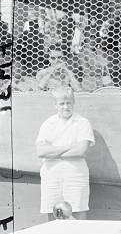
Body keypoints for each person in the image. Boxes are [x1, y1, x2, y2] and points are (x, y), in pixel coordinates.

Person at [35, 87, 95, 219]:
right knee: (53, 215)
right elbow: (41, 152)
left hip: (75, 175)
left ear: (74, 103)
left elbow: (81, 151)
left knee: (78, 213)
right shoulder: (48, 123)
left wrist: (52, 151)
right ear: (55, 105)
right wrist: (69, 146)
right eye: (62, 103)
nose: (66, 107)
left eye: (69, 103)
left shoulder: (82, 123)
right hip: (51, 175)